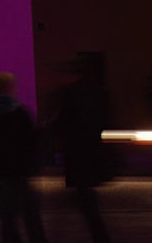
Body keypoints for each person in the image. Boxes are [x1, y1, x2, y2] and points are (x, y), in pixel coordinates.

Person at [0, 72, 49, 243]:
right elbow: (32, 142)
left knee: (8, 219)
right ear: (11, 88)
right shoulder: (20, 113)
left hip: (2, 173)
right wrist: (34, 165)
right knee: (31, 216)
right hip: (21, 172)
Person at [54, 64, 113, 243]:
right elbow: (105, 121)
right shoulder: (98, 94)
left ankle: (100, 237)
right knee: (87, 202)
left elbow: (62, 122)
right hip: (91, 154)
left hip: (77, 155)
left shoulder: (71, 94)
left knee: (86, 204)